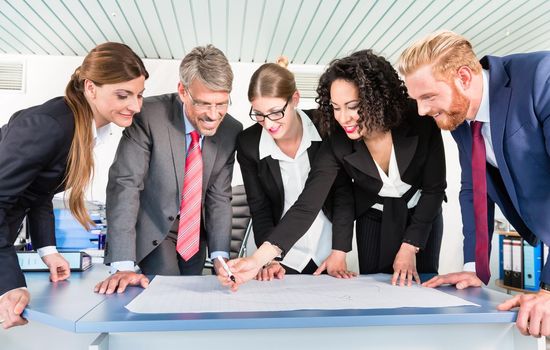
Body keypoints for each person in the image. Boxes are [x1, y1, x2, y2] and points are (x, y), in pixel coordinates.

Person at [219, 50, 446, 290]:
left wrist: (410, 245)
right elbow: (307, 204)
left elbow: (435, 188)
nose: (344, 118)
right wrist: (257, 260)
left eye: (353, 106)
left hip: (422, 211)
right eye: (336, 108)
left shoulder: (419, 117)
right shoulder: (337, 138)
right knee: (379, 290)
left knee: (425, 285)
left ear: (377, 98)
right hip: (373, 214)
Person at [397, 30, 550, 338]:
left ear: (463, 76)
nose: (422, 111)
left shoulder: (540, 78)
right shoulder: (461, 118)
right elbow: (475, 189)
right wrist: (473, 269)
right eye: (417, 100)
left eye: (428, 97)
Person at [0, 42, 148, 329]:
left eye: (139, 95)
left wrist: (48, 250)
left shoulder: (78, 125)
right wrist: (9, 283)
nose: (135, 106)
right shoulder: (48, 125)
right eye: (123, 95)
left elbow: (38, 190)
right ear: (90, 88)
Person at [94, 45, 243, 295]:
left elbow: (219, 196)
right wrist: (122, 263)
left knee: (191, 300)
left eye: (221, 104)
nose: (213, 115)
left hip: (195, 236)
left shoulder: (231, 129)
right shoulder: (149, 116)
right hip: (154, 229)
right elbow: (126, 184)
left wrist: (219, 256)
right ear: (183, 91)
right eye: (204, 104)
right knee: (168, 294)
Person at [235, 61, 356, 280]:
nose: (268, 123)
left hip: (327, 250)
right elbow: (259, 207)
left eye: (275, 112)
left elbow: (343, 194)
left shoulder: (326, 126)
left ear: (295, 99)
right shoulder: (248, 143)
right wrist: (269, 260)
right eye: (259, 114)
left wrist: (340, 250)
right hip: (280, 256)